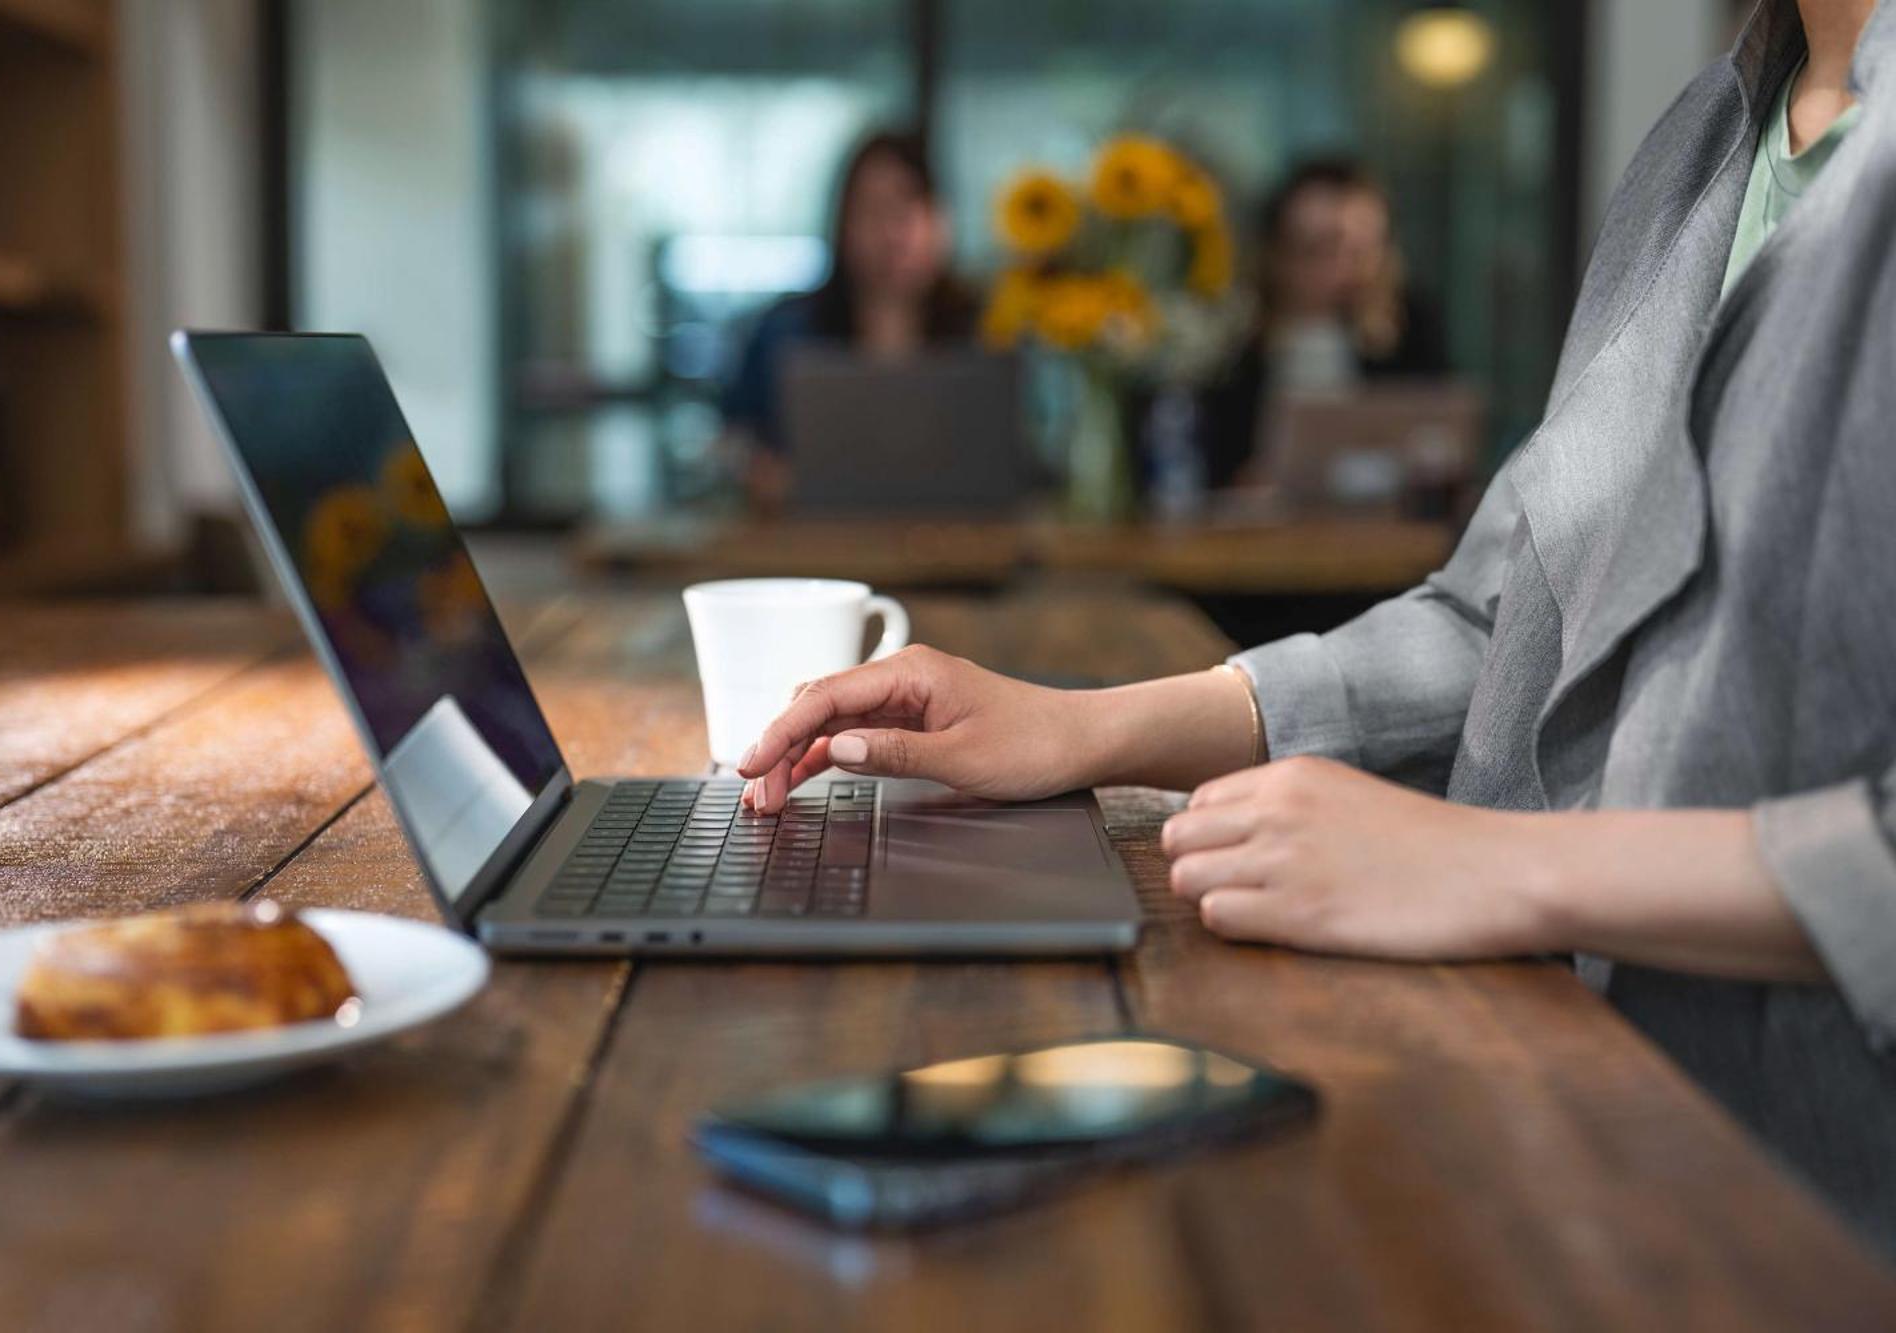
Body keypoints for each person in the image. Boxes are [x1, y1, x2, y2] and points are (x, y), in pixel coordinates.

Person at [738, 0, 1896, 1253]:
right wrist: (1084, 727)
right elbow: (1500, 615)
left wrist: (1493, 869)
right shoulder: (1703, 146)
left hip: (1803, 1210)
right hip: (1566, 1117)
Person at [719, 130, 976, 509]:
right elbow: (730, 443)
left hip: (956, 552)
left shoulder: (984, 334)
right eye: (873, 210)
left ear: (941, 221)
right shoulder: (784, 333)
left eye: (908, 208)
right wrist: (759, 473)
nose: (893, 234)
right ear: (842, 224)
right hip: (810, 552)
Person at [1203, 158, 1448, 487]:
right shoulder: (1233, 346)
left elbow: (1441, 439)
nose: (1346, 271)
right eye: (1320, 250)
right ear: (1277, 257)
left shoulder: (1410, 329)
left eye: (1362, 251)